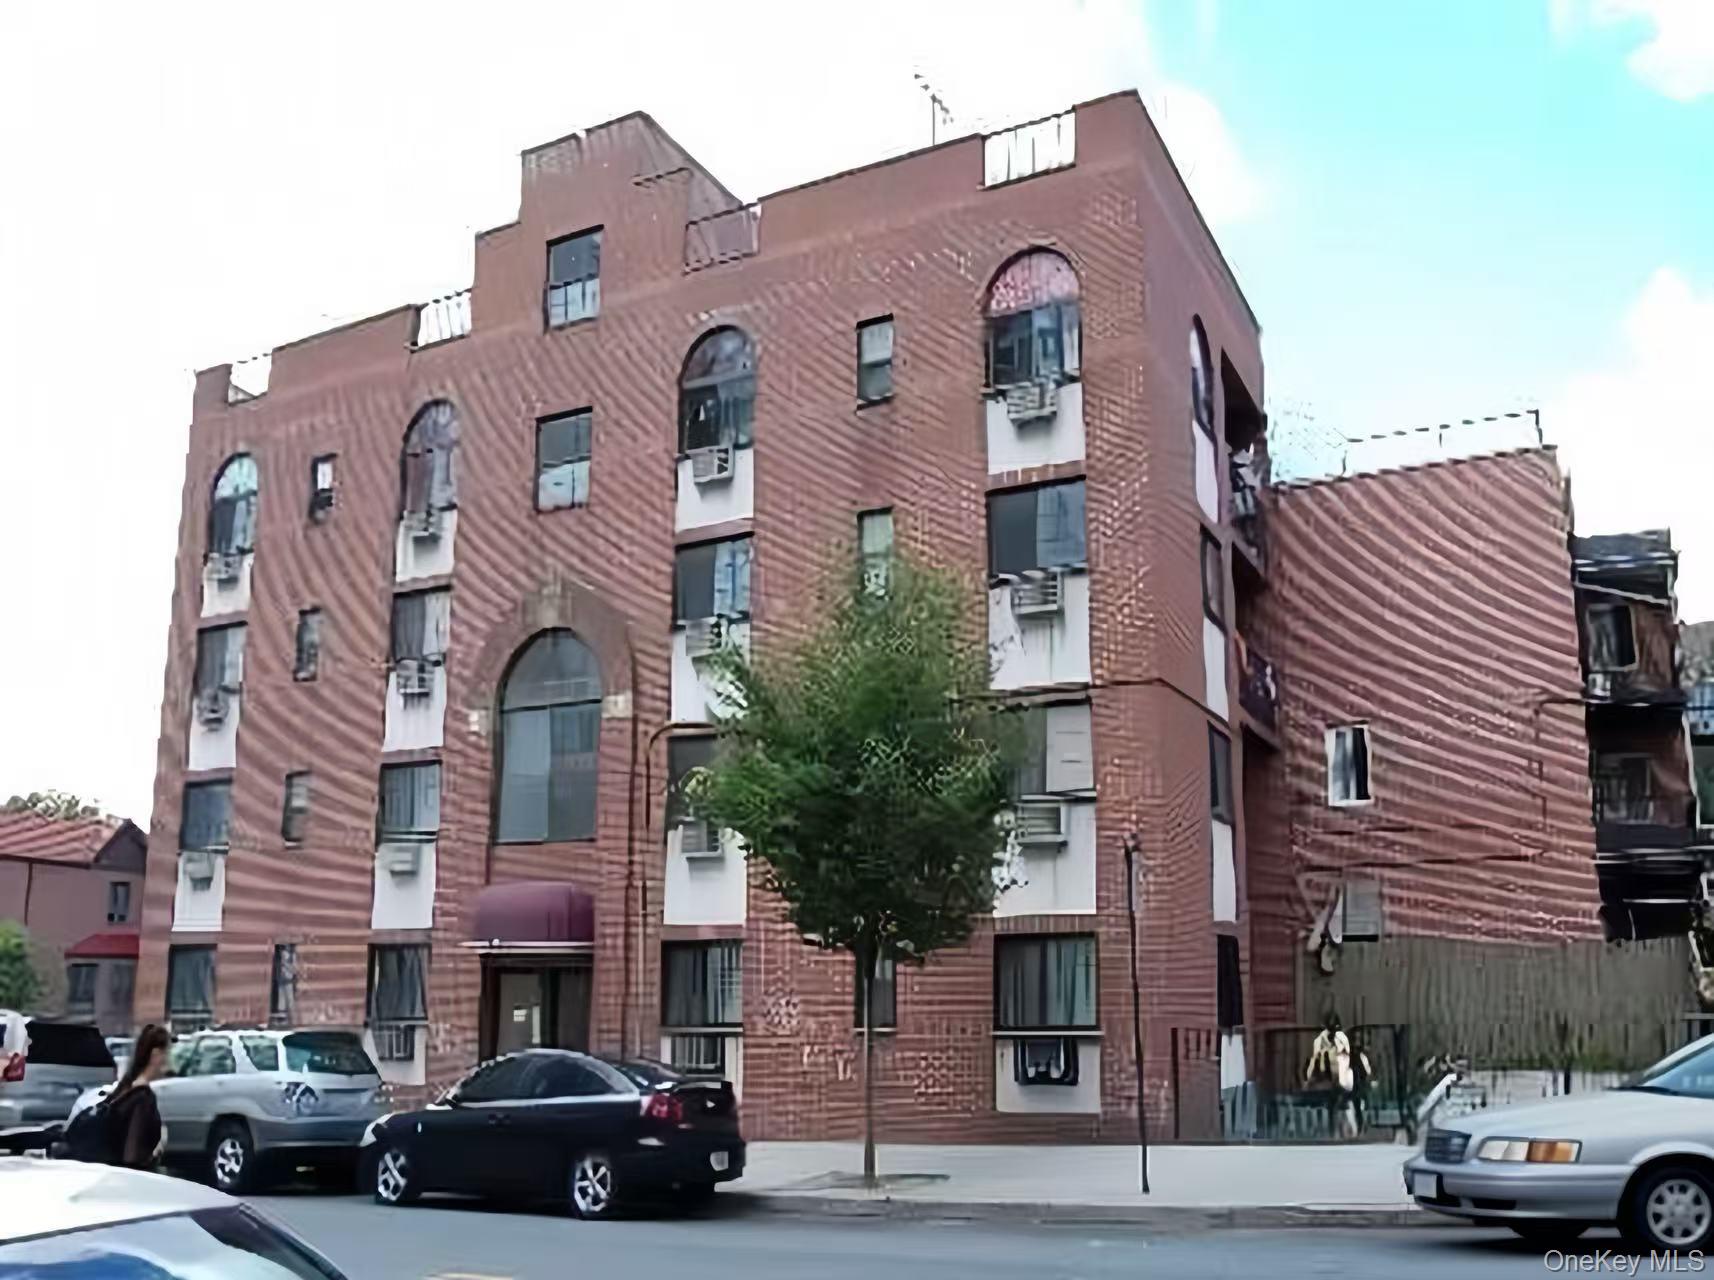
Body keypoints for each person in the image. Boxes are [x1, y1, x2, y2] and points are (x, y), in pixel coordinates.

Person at [102, 1023, 170, 1170]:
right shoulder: (143, 1098)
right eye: (167, 1053)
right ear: (156, 1055)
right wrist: (154, 1156)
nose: (168, 1060)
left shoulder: (125, 1088)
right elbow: (133, 1155)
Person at [1304, 1012, 1358, 1139]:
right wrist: (1308, 1078)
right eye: (1330, 1030)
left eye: (1336, 1030)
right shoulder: (1319, 1041)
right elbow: (1314, 1060)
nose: (1333, 1034)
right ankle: (1331, 1132)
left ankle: (1350, 1130)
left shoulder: (1342, 1039)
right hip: (1326, 1078)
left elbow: (1347, 1058)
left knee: (1344, 1102)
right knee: (1330, 1105)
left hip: (1342, 1077)